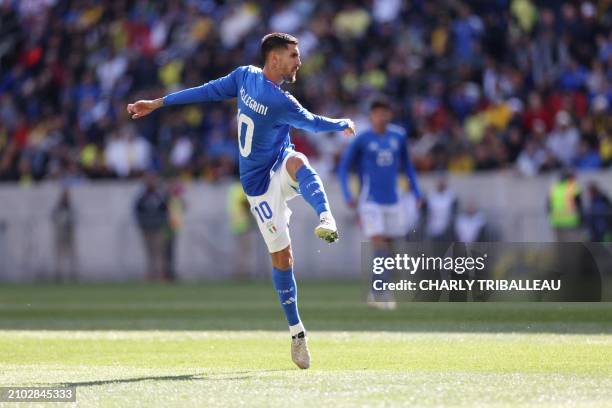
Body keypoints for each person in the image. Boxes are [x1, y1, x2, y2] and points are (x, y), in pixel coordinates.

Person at [126, 33, 355, 369]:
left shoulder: (245, 77)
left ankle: (325, 217)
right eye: (294, 55)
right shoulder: (272, 96)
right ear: (275, 58)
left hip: (279, 163)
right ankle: (297, 333)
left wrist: (159, 102)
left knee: (299, 162)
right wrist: (342, 123)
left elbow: (202, 92)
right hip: (257, 186)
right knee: (283, 257)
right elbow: (312, 123)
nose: (299, 62)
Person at [338, 97, 422, 310]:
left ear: (390, 114)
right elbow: (343, 168)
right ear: (371, 115)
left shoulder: (399, 136)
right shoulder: (362, 139)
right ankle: (381, 291)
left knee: (390, 248)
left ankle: (378, 289)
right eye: (377, 112)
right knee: (379, 244)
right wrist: (348, 194)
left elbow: (408, 167)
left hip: (393, 200)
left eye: (385, 111)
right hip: (371, 201)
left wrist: (417, 192)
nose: (381, 115)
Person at [134, 173, 170, 281]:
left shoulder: (160, 196)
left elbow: (166, 210)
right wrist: (142, 223)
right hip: (146, 228)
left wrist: (163, 223)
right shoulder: (142, 197)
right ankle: (150, 274)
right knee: (149, 253)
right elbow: (137, 210)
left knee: (159, 252)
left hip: (158, 228)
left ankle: (160, 275)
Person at [547, 169, 583, 242]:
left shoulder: (554, 188)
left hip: (556, 220)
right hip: (571, 221)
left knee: (561, 245)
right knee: (574, 244)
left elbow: (548, 205)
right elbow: (579, 204)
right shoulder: (573, 187)